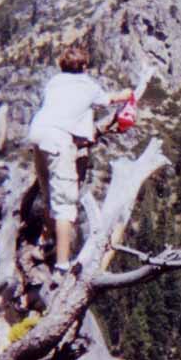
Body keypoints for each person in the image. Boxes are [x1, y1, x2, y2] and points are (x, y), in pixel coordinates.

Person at [28, 42, 132, 273]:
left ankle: (46, 242)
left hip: (37, 134)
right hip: (58, 140)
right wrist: (126, 95)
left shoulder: (54, 82)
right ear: (84, 65)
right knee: (65, 203)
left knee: (48, 192)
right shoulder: (87, 85)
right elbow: (109, 99)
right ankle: (62, 265)